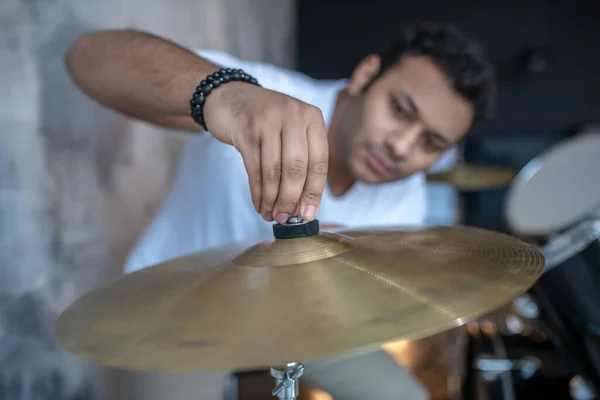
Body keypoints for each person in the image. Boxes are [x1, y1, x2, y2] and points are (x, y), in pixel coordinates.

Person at [65, 21, 496, 399]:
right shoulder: (265, 97)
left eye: (430, 144)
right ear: (366, 76)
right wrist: (223, 94)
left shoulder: (407, 196)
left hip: (302, 318)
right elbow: (86, 59)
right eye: (399, 110)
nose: (401, 147)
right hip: (172, 309)